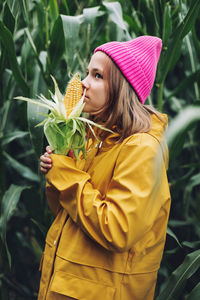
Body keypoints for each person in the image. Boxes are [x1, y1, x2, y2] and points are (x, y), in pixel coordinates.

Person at [39, 36, 171, 300]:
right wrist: (57, 169)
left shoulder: (143, 149)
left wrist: (65, 174)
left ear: (123, 89)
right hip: (66, 287)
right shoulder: (93, 138)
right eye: (88, 73)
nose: (84, 83)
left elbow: (117, 229)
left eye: (97, 76)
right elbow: (67, 215)